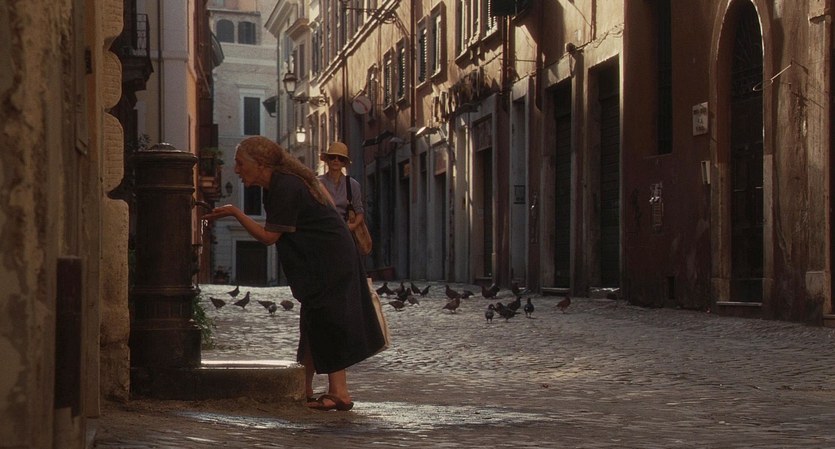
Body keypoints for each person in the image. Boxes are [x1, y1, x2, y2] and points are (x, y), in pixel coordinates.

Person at [202, 136, 386, 411]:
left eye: (240, 163)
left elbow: (269, 237)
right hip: (325, 257)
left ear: (260, 164)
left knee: (327, 320)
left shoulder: (285, 186)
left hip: (329, 260)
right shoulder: (279, 185)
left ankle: (340, 393)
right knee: (313, 322)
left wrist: (234, 213)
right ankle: (305, 387)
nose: (236, 169)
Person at [317, 141, 366, 233]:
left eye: (340, 158)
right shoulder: (317, 183)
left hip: (344, 232)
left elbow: (359, 212)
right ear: (327, 160)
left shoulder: (353, 184)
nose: (336, 160)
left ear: (344, 163)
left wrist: (351, 227)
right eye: (332, 157)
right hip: (323, 231)